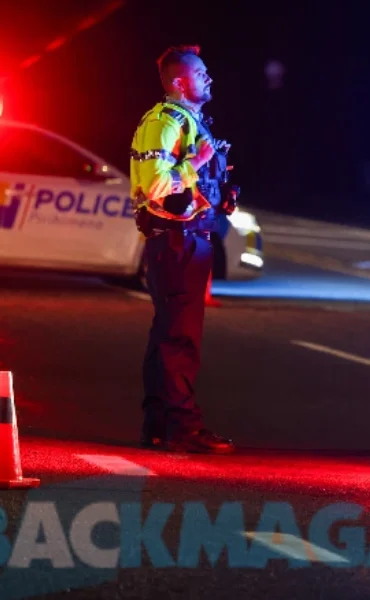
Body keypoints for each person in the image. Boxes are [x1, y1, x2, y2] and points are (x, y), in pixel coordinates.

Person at [129, 45, 236, 454]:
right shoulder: (164, 121)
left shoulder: (189, 122)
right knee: (180, 339)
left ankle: (159, 426)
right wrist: (197, 163)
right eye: (201, 72)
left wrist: (219, 189)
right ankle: (182, 427)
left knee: (169, 336)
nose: (209, 78)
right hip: (178, 240)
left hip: (187, 238)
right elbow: (155, 184)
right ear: (179, 81)